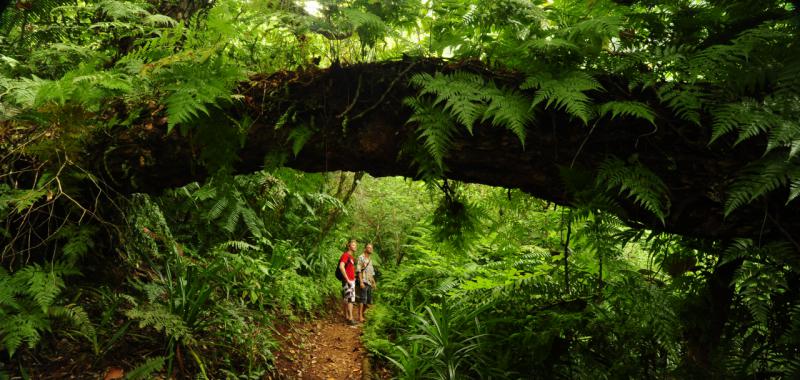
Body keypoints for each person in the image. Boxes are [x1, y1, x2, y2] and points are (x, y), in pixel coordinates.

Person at [338, 239, 358, 325]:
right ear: (349, 246)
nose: (355, 246)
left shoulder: (351, 257)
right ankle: (350, 318)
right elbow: (341, 266)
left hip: (351, 280)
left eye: (355, 245)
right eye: (353, 245)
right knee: (350, 299)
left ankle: (347, 316)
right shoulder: (345, 255)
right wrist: (347, 279)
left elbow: (349, 268)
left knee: (347, 298)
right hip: (348, 281)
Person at [356, 243, 377, 323]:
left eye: (371, 248)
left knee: (368, 301)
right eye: (368, 248)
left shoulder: (370, 260)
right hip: (363, 281)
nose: (370, 249)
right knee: (362, 299)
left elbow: (371, 272)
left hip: (369, 282)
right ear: (365, 249)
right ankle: (360, 316)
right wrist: (361, 282)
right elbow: (359, 270)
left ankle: (362, 314)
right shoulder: (361, 257)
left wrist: (373, 282)